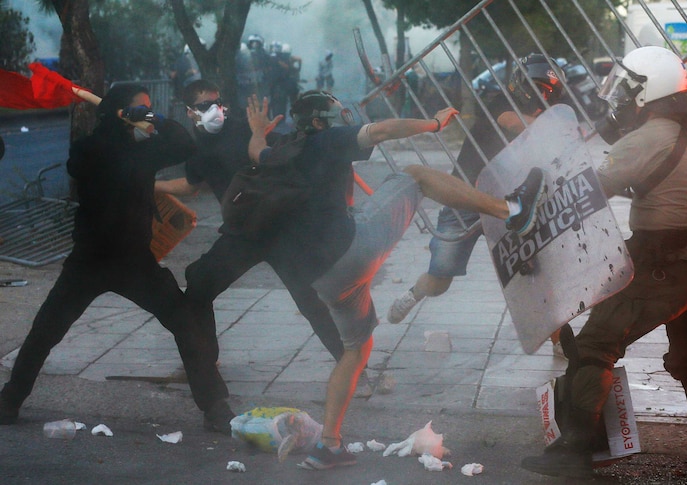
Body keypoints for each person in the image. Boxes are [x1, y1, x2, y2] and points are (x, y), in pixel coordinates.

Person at [244, 90, 546, 470]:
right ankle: (512, 209)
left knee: (356, 351)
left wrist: (257, 129)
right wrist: (435, 123)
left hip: (322, 279)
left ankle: (329, 445)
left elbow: (257, 151)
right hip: (352, 250)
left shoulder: (281, 152)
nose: (346, 117)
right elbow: (384, 130)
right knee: (415, 175)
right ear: (319, 123)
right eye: (338, 113)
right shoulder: (326, 139)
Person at [519, 46, 687, 482]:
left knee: (596, 347)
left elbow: (586, 198)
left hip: (664, 263)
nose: (617, 98)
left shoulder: (639, 140)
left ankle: (574, 453)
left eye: (627, 89)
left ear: (646, 93)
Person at [0, 84, 233, 432]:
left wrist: (151, 118)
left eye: (148, 109)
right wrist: (119, 125)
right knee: (45, 332)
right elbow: (81, 164)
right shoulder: (91, 148)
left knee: (185, 323)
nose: (146, 115)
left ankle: (215, 407)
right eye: (140, 108)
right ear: (118, 114)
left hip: (135, 262)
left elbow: (185, 144)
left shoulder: (145, 151)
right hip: (89, 261)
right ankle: (8, 402)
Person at [154, 80, 349, 389]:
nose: (215, 111)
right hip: (243, 232)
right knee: (200, 282)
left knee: (307, 298)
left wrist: (264, 131)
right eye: (205, 106)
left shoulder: (244, 127)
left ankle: (352, 364)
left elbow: (281, 149)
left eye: (218, 103)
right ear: (190, 112)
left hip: (278, 225)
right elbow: (192, 184)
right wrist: (155, 186)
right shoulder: (198, 144)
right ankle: (205, 362)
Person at [387, 54, 574, 355]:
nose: (541, 95)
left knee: (538, 272)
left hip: (514, 203)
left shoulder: (547, 115)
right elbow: (512, 122)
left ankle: (560, 342)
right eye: (536, 87)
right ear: (520, 84)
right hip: (466, 198)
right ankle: (415, 293)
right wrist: (554, 128)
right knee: (441, 276)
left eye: (548, 91)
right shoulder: (499, 101)